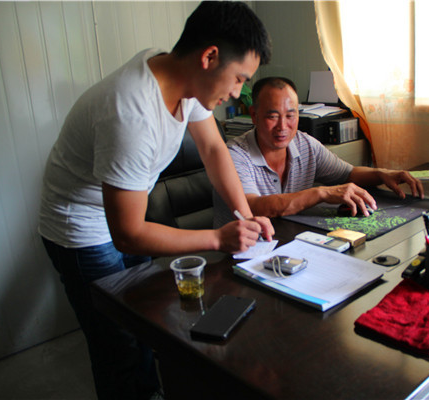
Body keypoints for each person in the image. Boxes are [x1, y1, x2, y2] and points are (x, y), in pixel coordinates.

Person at [38, 2, 273, 399]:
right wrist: (218, 238)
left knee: (146, 322)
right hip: (81, 225)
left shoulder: (184, 76)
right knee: (118, 346)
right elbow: (128, 235)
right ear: (209, 57)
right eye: (238, 79)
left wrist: (245, 216)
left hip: (125, 212)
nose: (238, 93)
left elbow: (214, 149)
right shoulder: (130, 113)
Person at [214, 76, 424, 227]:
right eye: (273, 116)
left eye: (290, 115)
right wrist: (322, 193)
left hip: (289, 240)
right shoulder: (234, 155)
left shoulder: (304, 144)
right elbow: (253, 207)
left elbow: (347, 174)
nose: (282, 126)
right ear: (254, 115)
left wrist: (382, 174)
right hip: (239, 254)